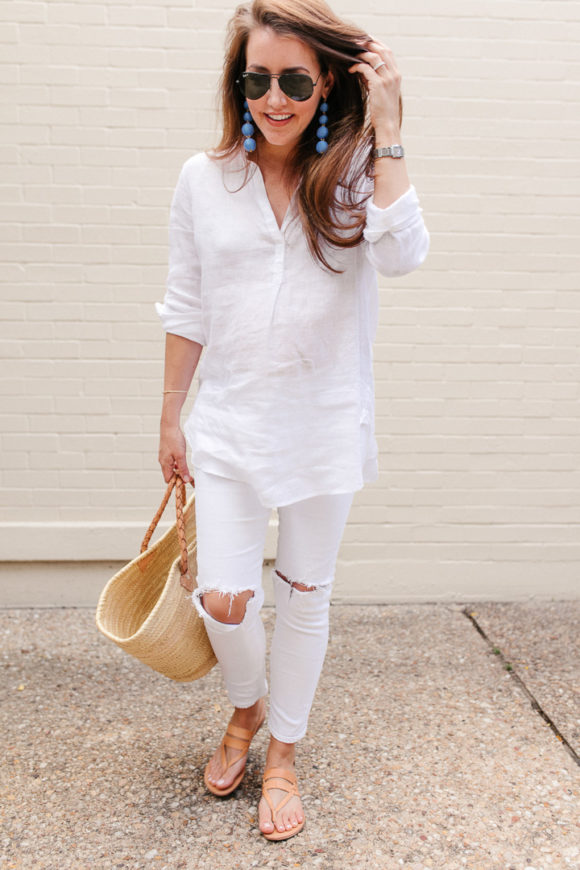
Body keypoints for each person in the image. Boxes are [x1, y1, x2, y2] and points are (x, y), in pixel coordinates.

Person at [155, 0, 429, 841]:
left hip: (322, 427)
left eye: (297, 80)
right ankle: (245, 704)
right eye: (258, 78)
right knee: (220, 599)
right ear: (237, 83)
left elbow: (404, 253)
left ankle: (281, 750)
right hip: (229, 428)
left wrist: (386, 125)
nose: (275, 98)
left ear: (328, 84)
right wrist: (171, 418)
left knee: (304, 597)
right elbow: (187, 303)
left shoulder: (353, 174)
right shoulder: (204, 179)